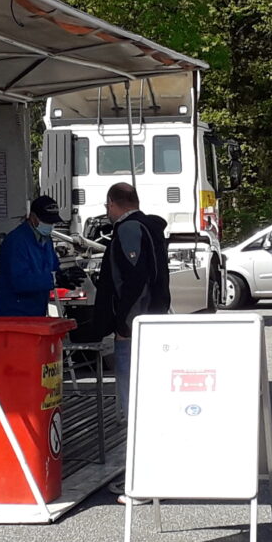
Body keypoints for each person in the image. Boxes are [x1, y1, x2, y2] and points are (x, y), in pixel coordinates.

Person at [93, 182, 170, 498]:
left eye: (107, 207)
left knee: (134, 402)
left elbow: (135, 280)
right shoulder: (152, 227)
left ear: (113, 203)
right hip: (152, 322)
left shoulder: (128, 230)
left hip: (134, 327)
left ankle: (140, 480)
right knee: (147, 399)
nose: (107, 212)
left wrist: (123, 322)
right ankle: (152, 474)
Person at [0, 195, 64, 317]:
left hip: (36, 312)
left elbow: (53, 266)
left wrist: (65, 275)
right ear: (33, 218)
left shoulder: (46, 240)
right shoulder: (16, 241)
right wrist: (54, 279)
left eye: (53, 222)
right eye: (47, 221)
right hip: (15, 315)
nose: (50, 225)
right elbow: (20, 281)